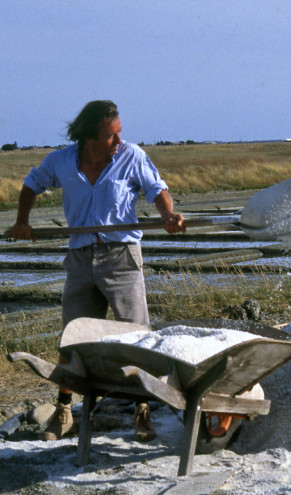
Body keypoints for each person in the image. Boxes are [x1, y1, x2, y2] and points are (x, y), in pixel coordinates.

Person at [11, 100, 185, 442]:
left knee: (136, 337)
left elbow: (157, 189)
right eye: (111, 135)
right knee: (73, 339)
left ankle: (142, 411)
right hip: (79, 257)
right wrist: (22, 222)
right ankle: (63, 412)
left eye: (119, 133)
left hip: (120, 256)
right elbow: (31, 185)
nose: (118, 141)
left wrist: (168, 216)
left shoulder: (131, 156)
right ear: (89, 136)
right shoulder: (60, 161)